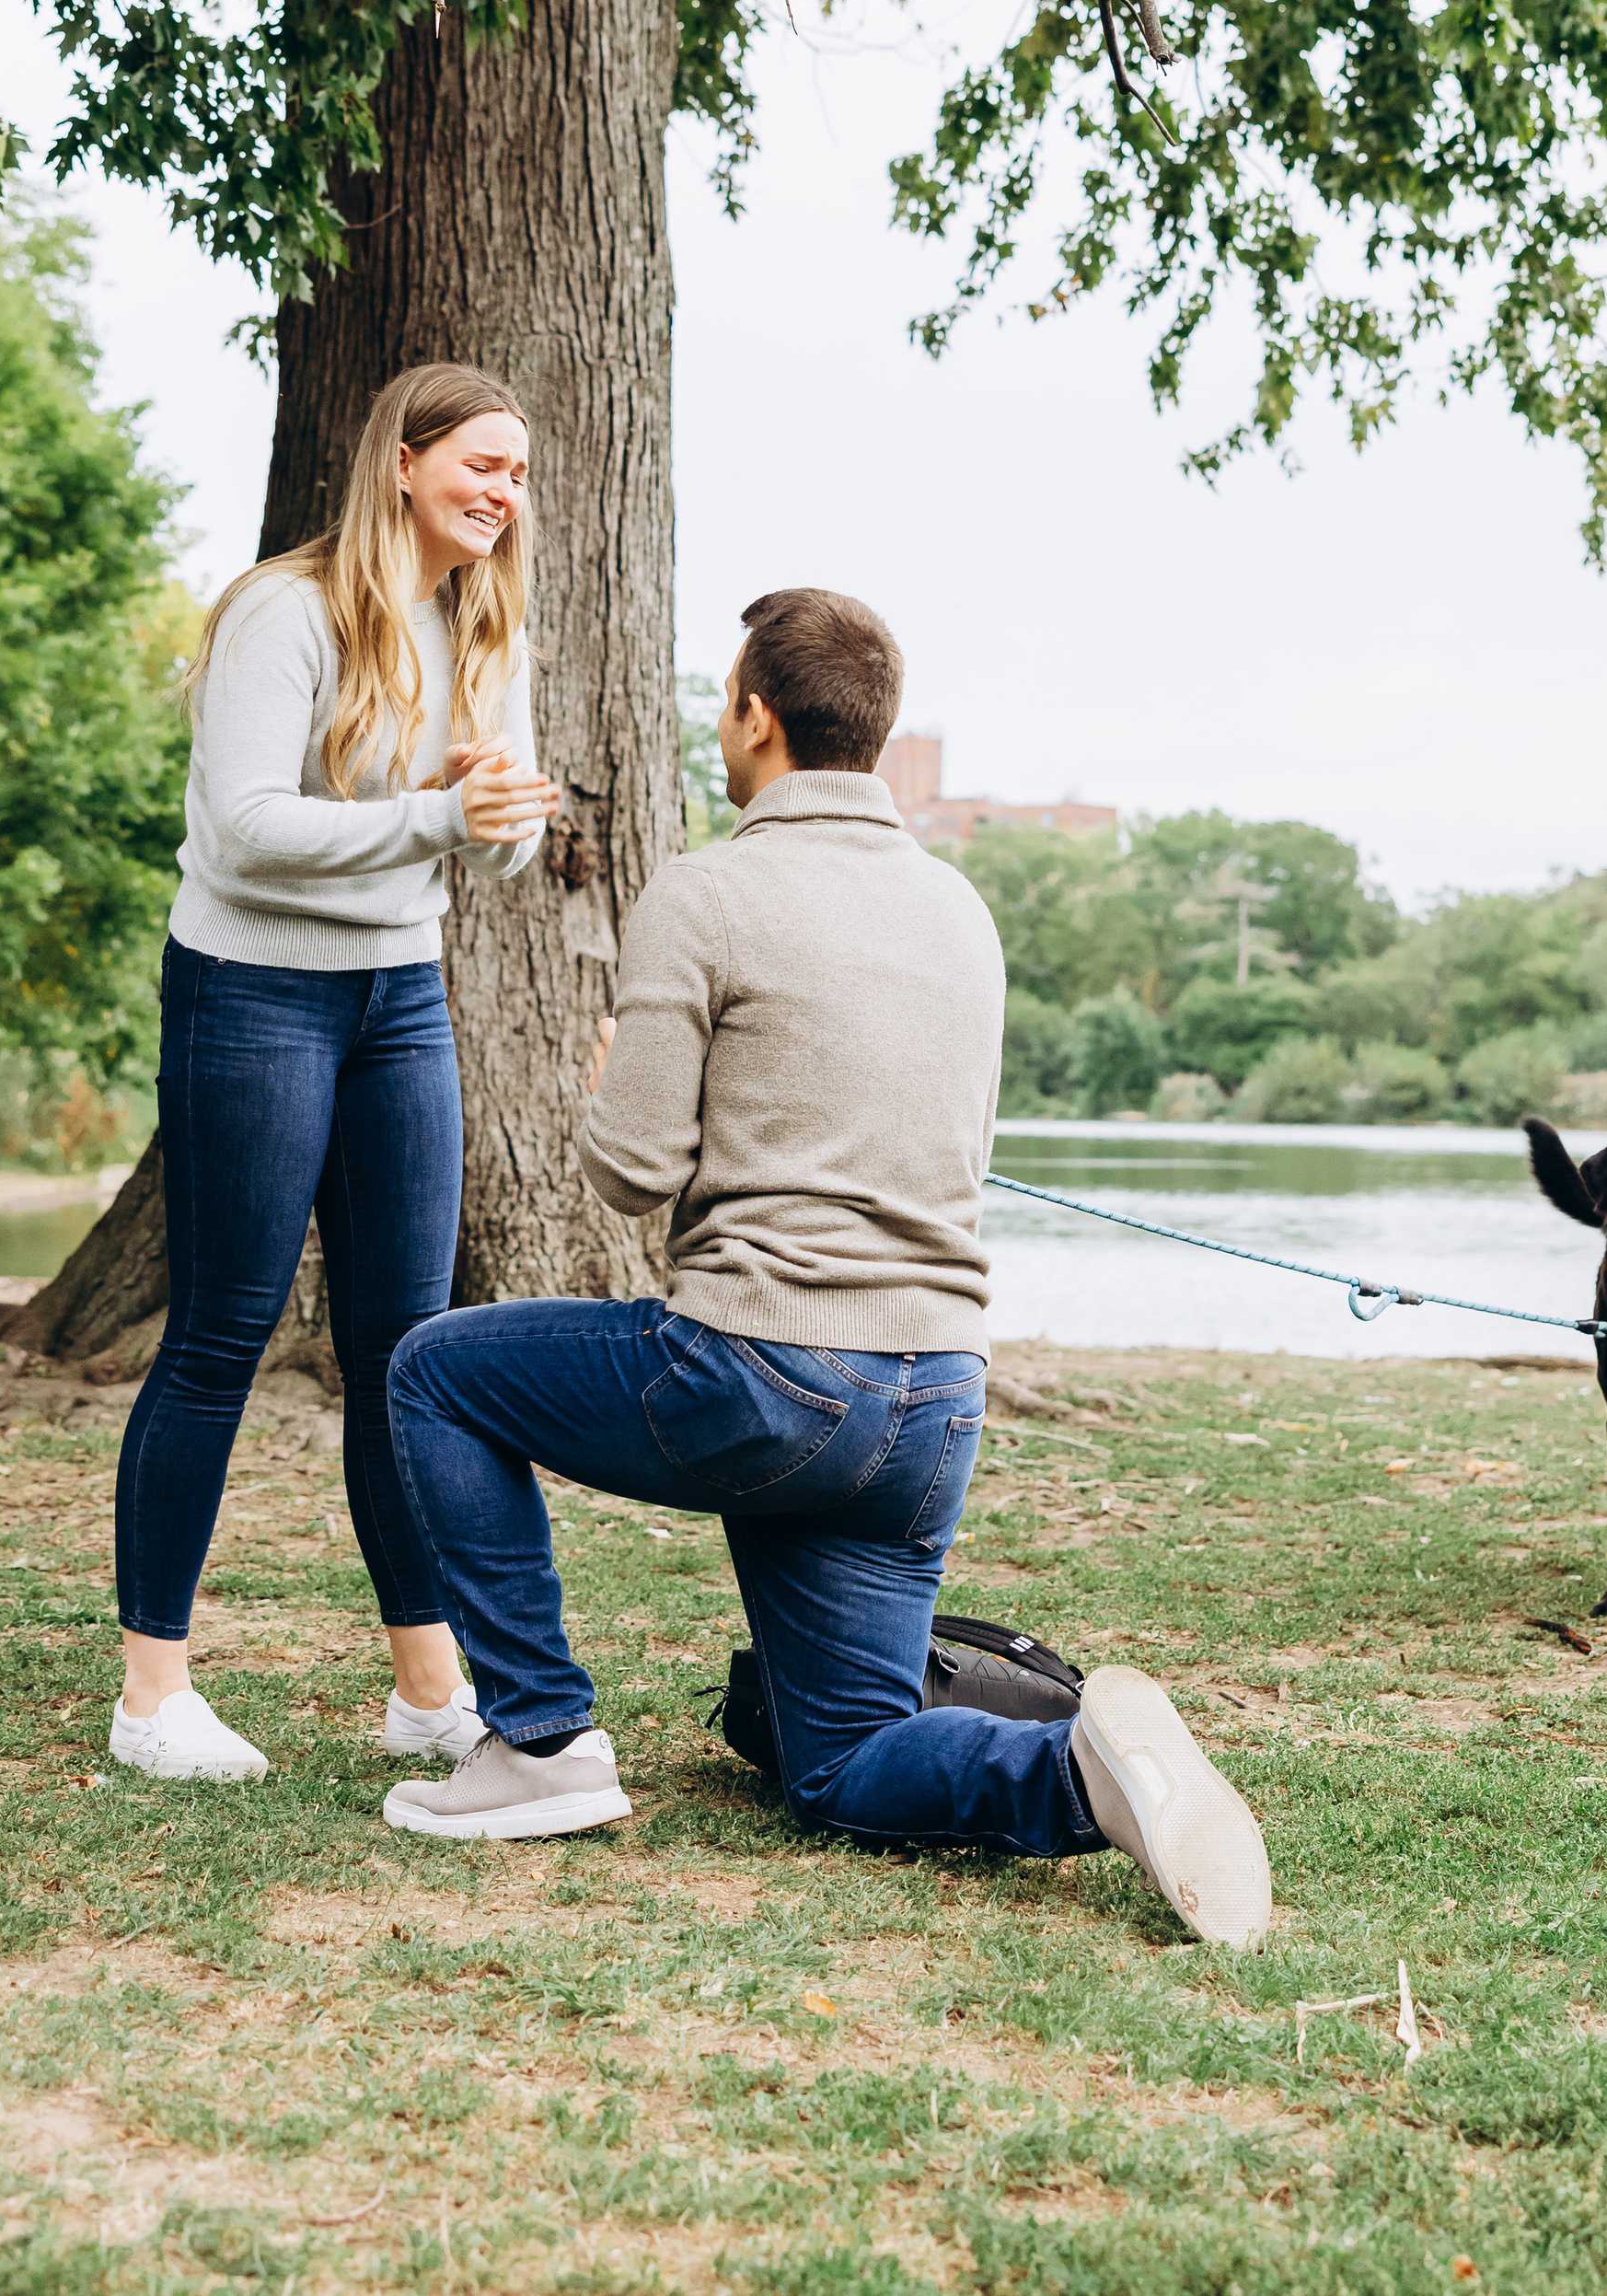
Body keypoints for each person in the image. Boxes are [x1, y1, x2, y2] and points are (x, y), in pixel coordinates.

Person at [381, 586, 1271, 1946]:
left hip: (764, 1375)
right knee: (842, 1758)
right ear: (875, 727)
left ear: (753, 715)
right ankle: (1086, 1773)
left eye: (727, 699)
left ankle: (541, 1739)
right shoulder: (961, 909)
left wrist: (618, 1082)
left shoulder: (709, 889)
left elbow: (626, 1173)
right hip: (935, 1403)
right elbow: (960, 1152)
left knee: (435, 1374)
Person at [108, 363, 561, 1784]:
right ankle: (151, 1696)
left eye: (519, 475)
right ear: (405, 463)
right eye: (480, 465)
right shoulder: (283, 612)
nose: (500, 493)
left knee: (405, 1349)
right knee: (224, 1328)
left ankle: (430, 1690)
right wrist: (439, 810)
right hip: (251, 991)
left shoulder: (486, 628)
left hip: (400, 997)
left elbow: (496, 848)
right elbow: (243, 825)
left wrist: (504, 822)